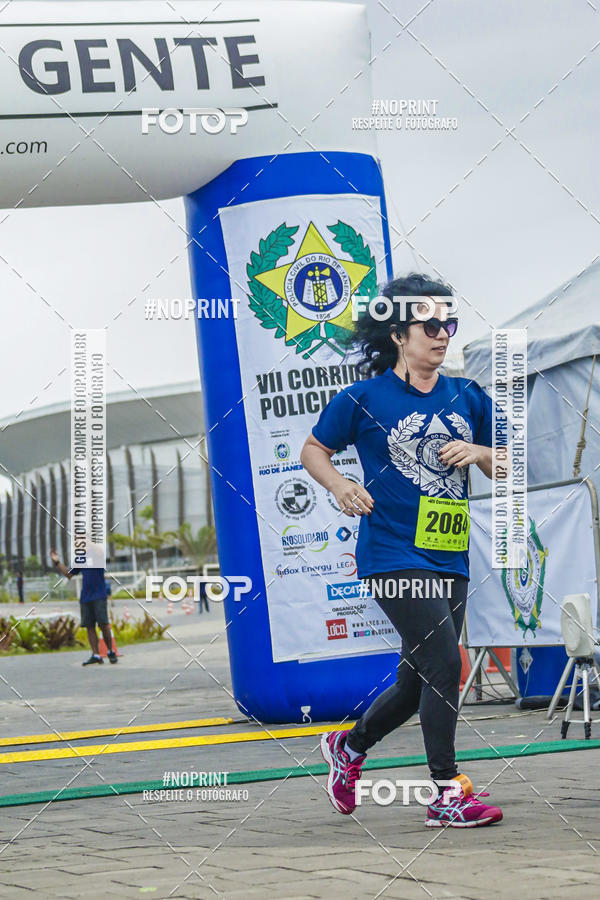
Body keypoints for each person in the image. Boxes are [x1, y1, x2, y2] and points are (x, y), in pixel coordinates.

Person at [300, 273, 503, 828]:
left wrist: (482, 452)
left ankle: (350, 746)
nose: (442, 335)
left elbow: (512, 462)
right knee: (444, 663)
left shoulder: (467, 395)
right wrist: (340, 485)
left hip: (450, 553)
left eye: (449, 324)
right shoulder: (362, 399)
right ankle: (446, 792)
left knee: (419, 681)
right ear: (398, 334)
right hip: (392, 552)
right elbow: (314, 448)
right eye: (430, 325)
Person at [50, 548, 117, 665]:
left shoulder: (98, 553)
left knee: (103, 623)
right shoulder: (80, 558)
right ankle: (96, 655)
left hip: (99, 595)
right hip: (86, 597)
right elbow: (69, 574)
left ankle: (110, 651)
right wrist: (57, 562)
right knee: (89, 626)